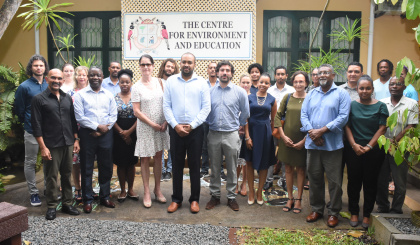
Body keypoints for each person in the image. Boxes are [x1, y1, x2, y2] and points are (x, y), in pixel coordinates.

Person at [301, 64, 351, 228]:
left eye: (325, 73)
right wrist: (312, 133)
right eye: (319, 73)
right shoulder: (311, 94)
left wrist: (321, 131)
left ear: (333, 75)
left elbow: (343, 117)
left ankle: (334, 212)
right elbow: (304, 115)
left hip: (332, 146)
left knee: (335, 181)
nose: (322, 75)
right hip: (313, 145)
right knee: (314, 179)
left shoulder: (341, 94)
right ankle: (316, 210)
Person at [163, 52, 211, 214]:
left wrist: (192, 125)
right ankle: (176, 199)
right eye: (184, 62)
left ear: (194, 64)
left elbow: (206, 108)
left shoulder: (202, 83)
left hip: (195, 130)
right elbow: (166, 106)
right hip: (176, 130)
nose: (186, 65)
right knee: (176, 166)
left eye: (189, 62)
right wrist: (176, 125)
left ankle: (195, 199)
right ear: (180, 63)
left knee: (194, 166)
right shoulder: (171, 81)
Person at [31, 69, 80, 220]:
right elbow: (36, 125)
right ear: (47, 79)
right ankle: (52, 206)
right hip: (51, 144)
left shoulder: (66, 98)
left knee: (66, 174)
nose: (56, 81)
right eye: (53, 78)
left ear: (63, 81)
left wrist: (76, 139)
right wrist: (43, 147)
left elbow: (72, 120)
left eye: (59, 78)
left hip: (68, 143)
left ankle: (67, 203)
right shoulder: (39, 99)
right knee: (51, 176)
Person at [344, 75, 388, 229]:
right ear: (357, 89)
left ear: (372, 89)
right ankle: (354, 212)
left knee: (370, 183)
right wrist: (354, 145)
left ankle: (367, 214)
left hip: (374, 151)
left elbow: (382, 128)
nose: (364, 91)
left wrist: (369, 146)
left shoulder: (381, 106)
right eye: (361, 88)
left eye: (368, 88)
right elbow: (347, 126)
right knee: (353, 182)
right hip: (354, 150)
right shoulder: (351, 105)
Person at [205, 61, 249, 212]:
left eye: (227, 70)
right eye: (222, 70)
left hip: (231, 134)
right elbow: (205, 111)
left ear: (231, 73)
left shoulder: (239, 92)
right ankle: (215, 196)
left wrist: (239, 124)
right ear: (217, 73)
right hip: (214, 134)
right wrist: (210, 122)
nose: (224, 73)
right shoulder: (209, 92)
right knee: (215, 167)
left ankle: (231, 197)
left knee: (231, 168)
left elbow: (246, 112)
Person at [74, 67, 118, 213]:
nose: (95, 77)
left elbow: (113, 115)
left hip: (106, 135)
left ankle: (104, 196)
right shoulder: (81, 95)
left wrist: (104, 129)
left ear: (102, 76)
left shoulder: (109, 95)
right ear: (88, 77)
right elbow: (79, 116)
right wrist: (97, 127)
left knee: (106, 167)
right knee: (86, 167)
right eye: (92, 75)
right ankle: (88, 200)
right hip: (88, 135)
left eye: (97, 75)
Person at [376, 76, 419, 214]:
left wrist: (395, 140)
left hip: (400, 148)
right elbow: (378, 125)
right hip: (382, 147)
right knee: (381, 179)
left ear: (404, 87)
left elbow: (411, 126)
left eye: (398, 84)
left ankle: (396, 209)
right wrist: (385, 141)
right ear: (389, 87)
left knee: (399, 181)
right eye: (392, 84)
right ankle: (382, 207)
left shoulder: (412, 104)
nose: (394, 86)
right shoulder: (381, 103)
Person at [132, 54, 169, 208]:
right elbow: (136, 111)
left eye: (148, 64)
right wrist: (152, 124)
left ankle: (158, 189)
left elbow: (169, 104)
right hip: (146, 127)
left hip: (162, 126)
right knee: (145, 159)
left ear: (153, 66)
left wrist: (166, 121)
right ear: (139, 67)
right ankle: (147, 191)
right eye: (143, 65)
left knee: (159, 157)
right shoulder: (136, 87)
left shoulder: (162, 83)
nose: (146, 67)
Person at [14, 54, 49, 206]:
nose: (39, 68)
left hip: (49, 131)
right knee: (30, 162)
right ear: (31, 68)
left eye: (41, 65)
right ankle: (34, 193)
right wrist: (28, 123)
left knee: (50, 161)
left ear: (45, 67)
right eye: (36, 65)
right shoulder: (24, 87)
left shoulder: (49, 84)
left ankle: (49, 189)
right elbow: (19, 110)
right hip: (31, 130)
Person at [274, 71, 308, 214]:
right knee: (287, 169)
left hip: (304, 140)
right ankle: (290, 197)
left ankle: (299, 199)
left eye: (301, 81)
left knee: (300, 170)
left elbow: (314, 121)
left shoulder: (310, 99)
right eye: (296, 82)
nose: (298, 84)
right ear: (292, 83)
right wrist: (282, 136)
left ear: (306, 83)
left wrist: (304, 141)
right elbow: (277, 117)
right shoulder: (287, 97)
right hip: (287, 140)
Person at [244, 73, 277, 205]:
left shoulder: (272, 99)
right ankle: (251, 191)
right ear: (257, 83)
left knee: (264, 165)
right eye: (261, 82)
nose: (263, 85)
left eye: (266, 83)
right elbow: (245, 118)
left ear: (269, 85)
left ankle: (259, 192)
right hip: (251, 131)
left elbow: (273, 120)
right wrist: (247, 137)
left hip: (265, 133)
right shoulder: (249, 97)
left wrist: (271, 135)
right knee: (250, 162)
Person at [264, 65, 295, 191]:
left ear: (286, 76)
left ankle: (284, 180)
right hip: (271, 126)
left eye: (283, 74)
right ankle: (268, 180)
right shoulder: (269, 90)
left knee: (285, 155)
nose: (280, 76)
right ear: (275, 76)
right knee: (270, 153)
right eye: (278, 74)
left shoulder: (292, 90)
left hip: (287, 126)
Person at [113, 69, 138, 203]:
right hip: (117, 134)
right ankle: (122, 190)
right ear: (118, 83)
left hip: (133, 133)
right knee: (121, 164)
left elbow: (139, 116)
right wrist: (122, 132)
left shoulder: (136, 97)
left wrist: (129, 132)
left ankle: (131, 189)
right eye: (122, 82)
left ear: (131, 83)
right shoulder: (113, 98)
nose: (124, 84)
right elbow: (111, 118)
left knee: (131, 163)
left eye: (127, 82)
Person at [200, 62, 225, 181]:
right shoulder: (203, 84)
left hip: (217, 120)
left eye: (215, 68)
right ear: (207, 70)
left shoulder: (222, 84)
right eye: (210, 68)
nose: (213, 70)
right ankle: (204, 169)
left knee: (218, 146)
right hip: (205, 120)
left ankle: (220, 170)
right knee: (204, 146)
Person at [68, 66, 89, 202]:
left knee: (88, 162)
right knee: (76, 162)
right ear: (76, 77)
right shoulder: (71, 93)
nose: (81, 77)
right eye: (79, 75)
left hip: (89, 131)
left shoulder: (92, 91)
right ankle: (78, 188)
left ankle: (88, 188)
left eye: (84, 75)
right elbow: (69, 115)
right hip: (75, 131)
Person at [157, 58, 180, 181]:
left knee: (171, 145)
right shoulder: (157, 82)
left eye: (172, 67)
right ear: (164, 67)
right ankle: (161, 170)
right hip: (159, 117)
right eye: (168, 66)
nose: (169, 68)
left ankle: (169, 170)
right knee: (160, 145)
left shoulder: (176, 82)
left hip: (172, 118)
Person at [236, 74, 251, 196]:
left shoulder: (253, 97)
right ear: (239, 83)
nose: (245, 85)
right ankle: (235, 182)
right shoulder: (236, 95)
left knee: (246, 160)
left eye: (248, 83)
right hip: (235, 131)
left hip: (248, 132)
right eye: (243, 82)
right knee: (236, 160)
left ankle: (244, 183)